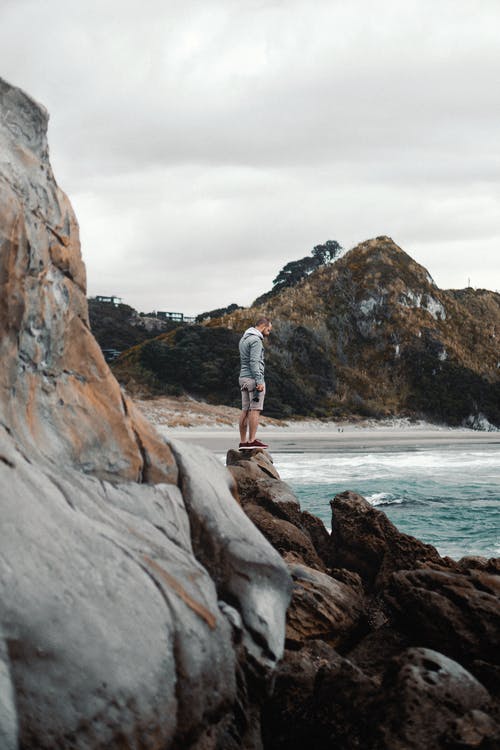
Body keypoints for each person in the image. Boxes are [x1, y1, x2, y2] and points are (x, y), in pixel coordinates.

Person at [238, 317, 272, 449]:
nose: (269, 333)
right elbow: (254, 362)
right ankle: (251, 441)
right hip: (253, 379)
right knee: (255, 409)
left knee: (245, 410)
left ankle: (243, 442)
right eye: (268, 330)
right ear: (263, 326)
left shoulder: (244, 339)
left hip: (243, 378)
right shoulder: (256, 340)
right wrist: (259, 380)